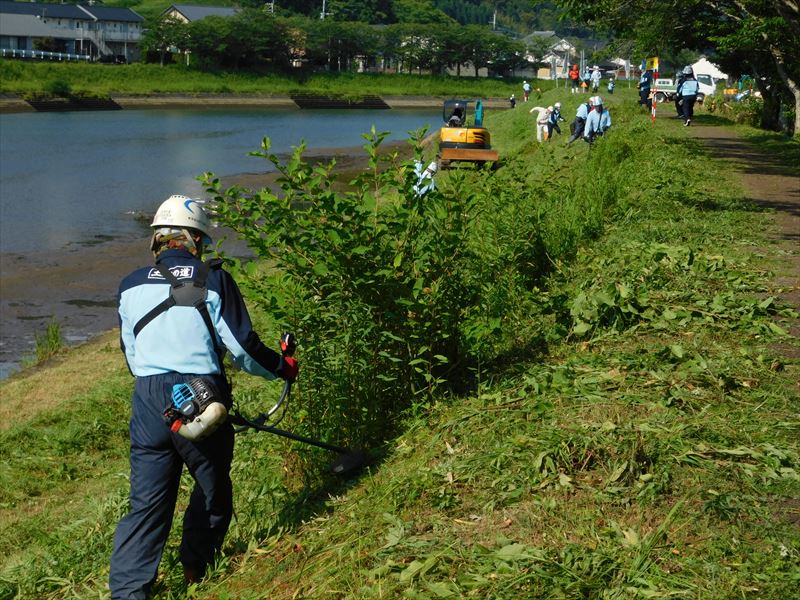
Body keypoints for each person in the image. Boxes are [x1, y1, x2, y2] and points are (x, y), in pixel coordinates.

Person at [109, 195, 299, 599]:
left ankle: (128, 591)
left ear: (157, 240)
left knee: (146, 504)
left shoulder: (129, 285)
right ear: (197, 240)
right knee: (213, 488)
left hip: (147, 399)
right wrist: (282, 368)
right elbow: (243, 347)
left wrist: (155, 386)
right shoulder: (211, 278)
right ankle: (196, 566)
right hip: (199, 393)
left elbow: (131, 352)